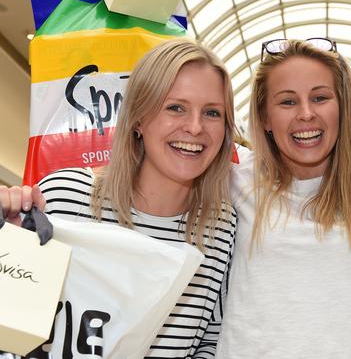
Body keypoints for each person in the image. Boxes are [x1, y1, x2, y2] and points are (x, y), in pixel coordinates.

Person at [0, 39, 237, 358]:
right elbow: (12, 326)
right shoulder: (64, 197)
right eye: (175, 107)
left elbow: (210, 342)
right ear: (138, 118)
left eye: (212, 113)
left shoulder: (220, 228)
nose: (195, 127)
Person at [216, 39, 351, 358]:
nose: (306, 114)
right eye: (287, 102)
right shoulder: (231, 179)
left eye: (320, 97)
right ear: (265, 116)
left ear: (343, 107)